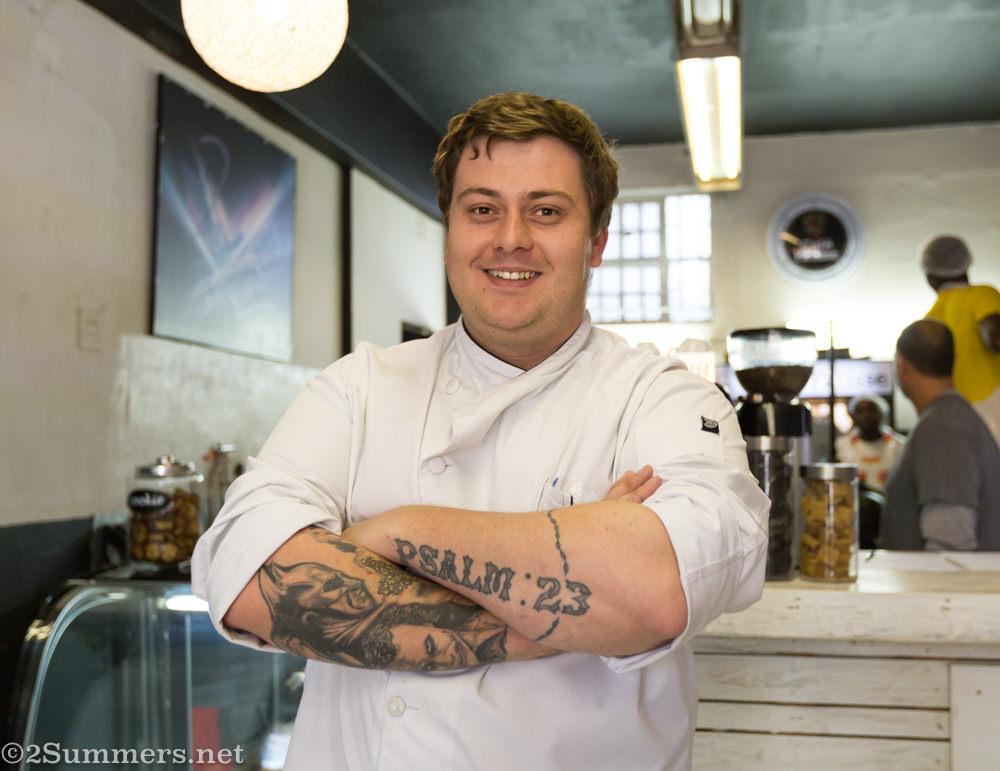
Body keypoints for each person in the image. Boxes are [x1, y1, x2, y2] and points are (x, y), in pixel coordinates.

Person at [192, 91, 769, 771]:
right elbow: (252, 583)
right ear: (450, 234)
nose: (510, 238)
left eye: (546, 211)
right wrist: (564, 614)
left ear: (597, 243)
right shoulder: (359, 387)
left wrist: (395, 532)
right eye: (482, 209)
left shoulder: (663, 398)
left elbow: (656, 591)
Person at [881, 319, 1000, 551]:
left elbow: (950, 546)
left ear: (901, 365)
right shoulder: (950, 419)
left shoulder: (944, 427)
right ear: (953, 363)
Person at [920, 235, 1000, 447]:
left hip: (953, 416)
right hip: (993, 409)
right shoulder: (983, 294)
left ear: (930, 277)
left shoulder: (929, 320)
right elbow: (996, 338)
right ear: (967, 264)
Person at [834, 393, 904, 493]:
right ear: (852, 416)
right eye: (860, 411)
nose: (866, 416)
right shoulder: (841, 445)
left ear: (881, 413)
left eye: (871, 410)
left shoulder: (899, 445)